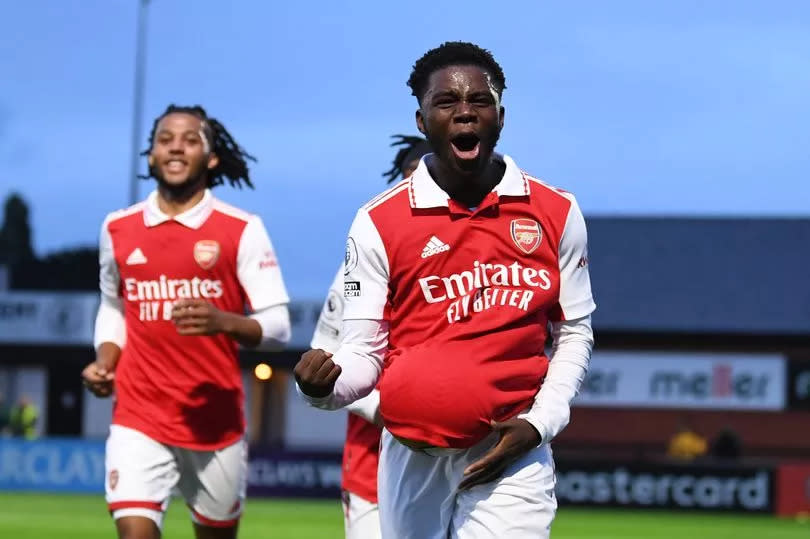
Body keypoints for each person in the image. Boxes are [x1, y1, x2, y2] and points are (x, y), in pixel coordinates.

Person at [295, 42, 595, 539]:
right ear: (421, 119)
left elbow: (574, 333)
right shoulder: (377, 221)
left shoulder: (556, 211)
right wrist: (323, 388)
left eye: (480, 100)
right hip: (412, 455)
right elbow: (364, 352)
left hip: (512, 449)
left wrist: (539, 425)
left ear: (501, 115)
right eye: (446, 102)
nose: (464, 114)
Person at [82, 105, 291, 539]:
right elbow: (114, 307)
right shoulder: (118, 228)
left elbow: (278, 327)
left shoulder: (241, 229)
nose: (176, 146)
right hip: (138, 415)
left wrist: (225, 322)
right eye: (165, 138)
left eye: (190, 139)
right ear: (152, 155)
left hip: (215, 422)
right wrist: (106, 359)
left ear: (211, 157)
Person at [310, 135, 432, 539]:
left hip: (461, 456)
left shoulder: (480, 254)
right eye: (409, 177)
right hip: (371, 460)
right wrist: (383, 407)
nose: (420, 187)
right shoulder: (361, 262)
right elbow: (325, 351)